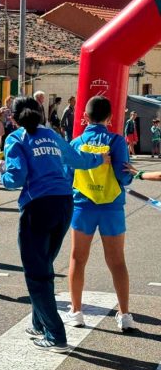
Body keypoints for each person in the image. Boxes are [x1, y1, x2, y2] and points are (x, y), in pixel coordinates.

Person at [0, 97, 107, 352]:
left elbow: (16, 178)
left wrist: (0, 168)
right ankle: (39, 323)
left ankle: (56, 335)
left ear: (13, 118)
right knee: (45, 264)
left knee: (36, 274)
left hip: (37, 207)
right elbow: (77, 159)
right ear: (40, 112)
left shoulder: (16, 139)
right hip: (64, 203)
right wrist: (99, 160)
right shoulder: (52, 134)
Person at [65, 96, 135, 332]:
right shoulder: (116, 141)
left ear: (84, 117)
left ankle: (76, 312)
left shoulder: (76, 143)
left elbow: (67, 176)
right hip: (111, 207)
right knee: (117, 261)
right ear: (110, 118)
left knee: (77, 259)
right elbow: (124, 175)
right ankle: (125, 315)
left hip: (83, 206)